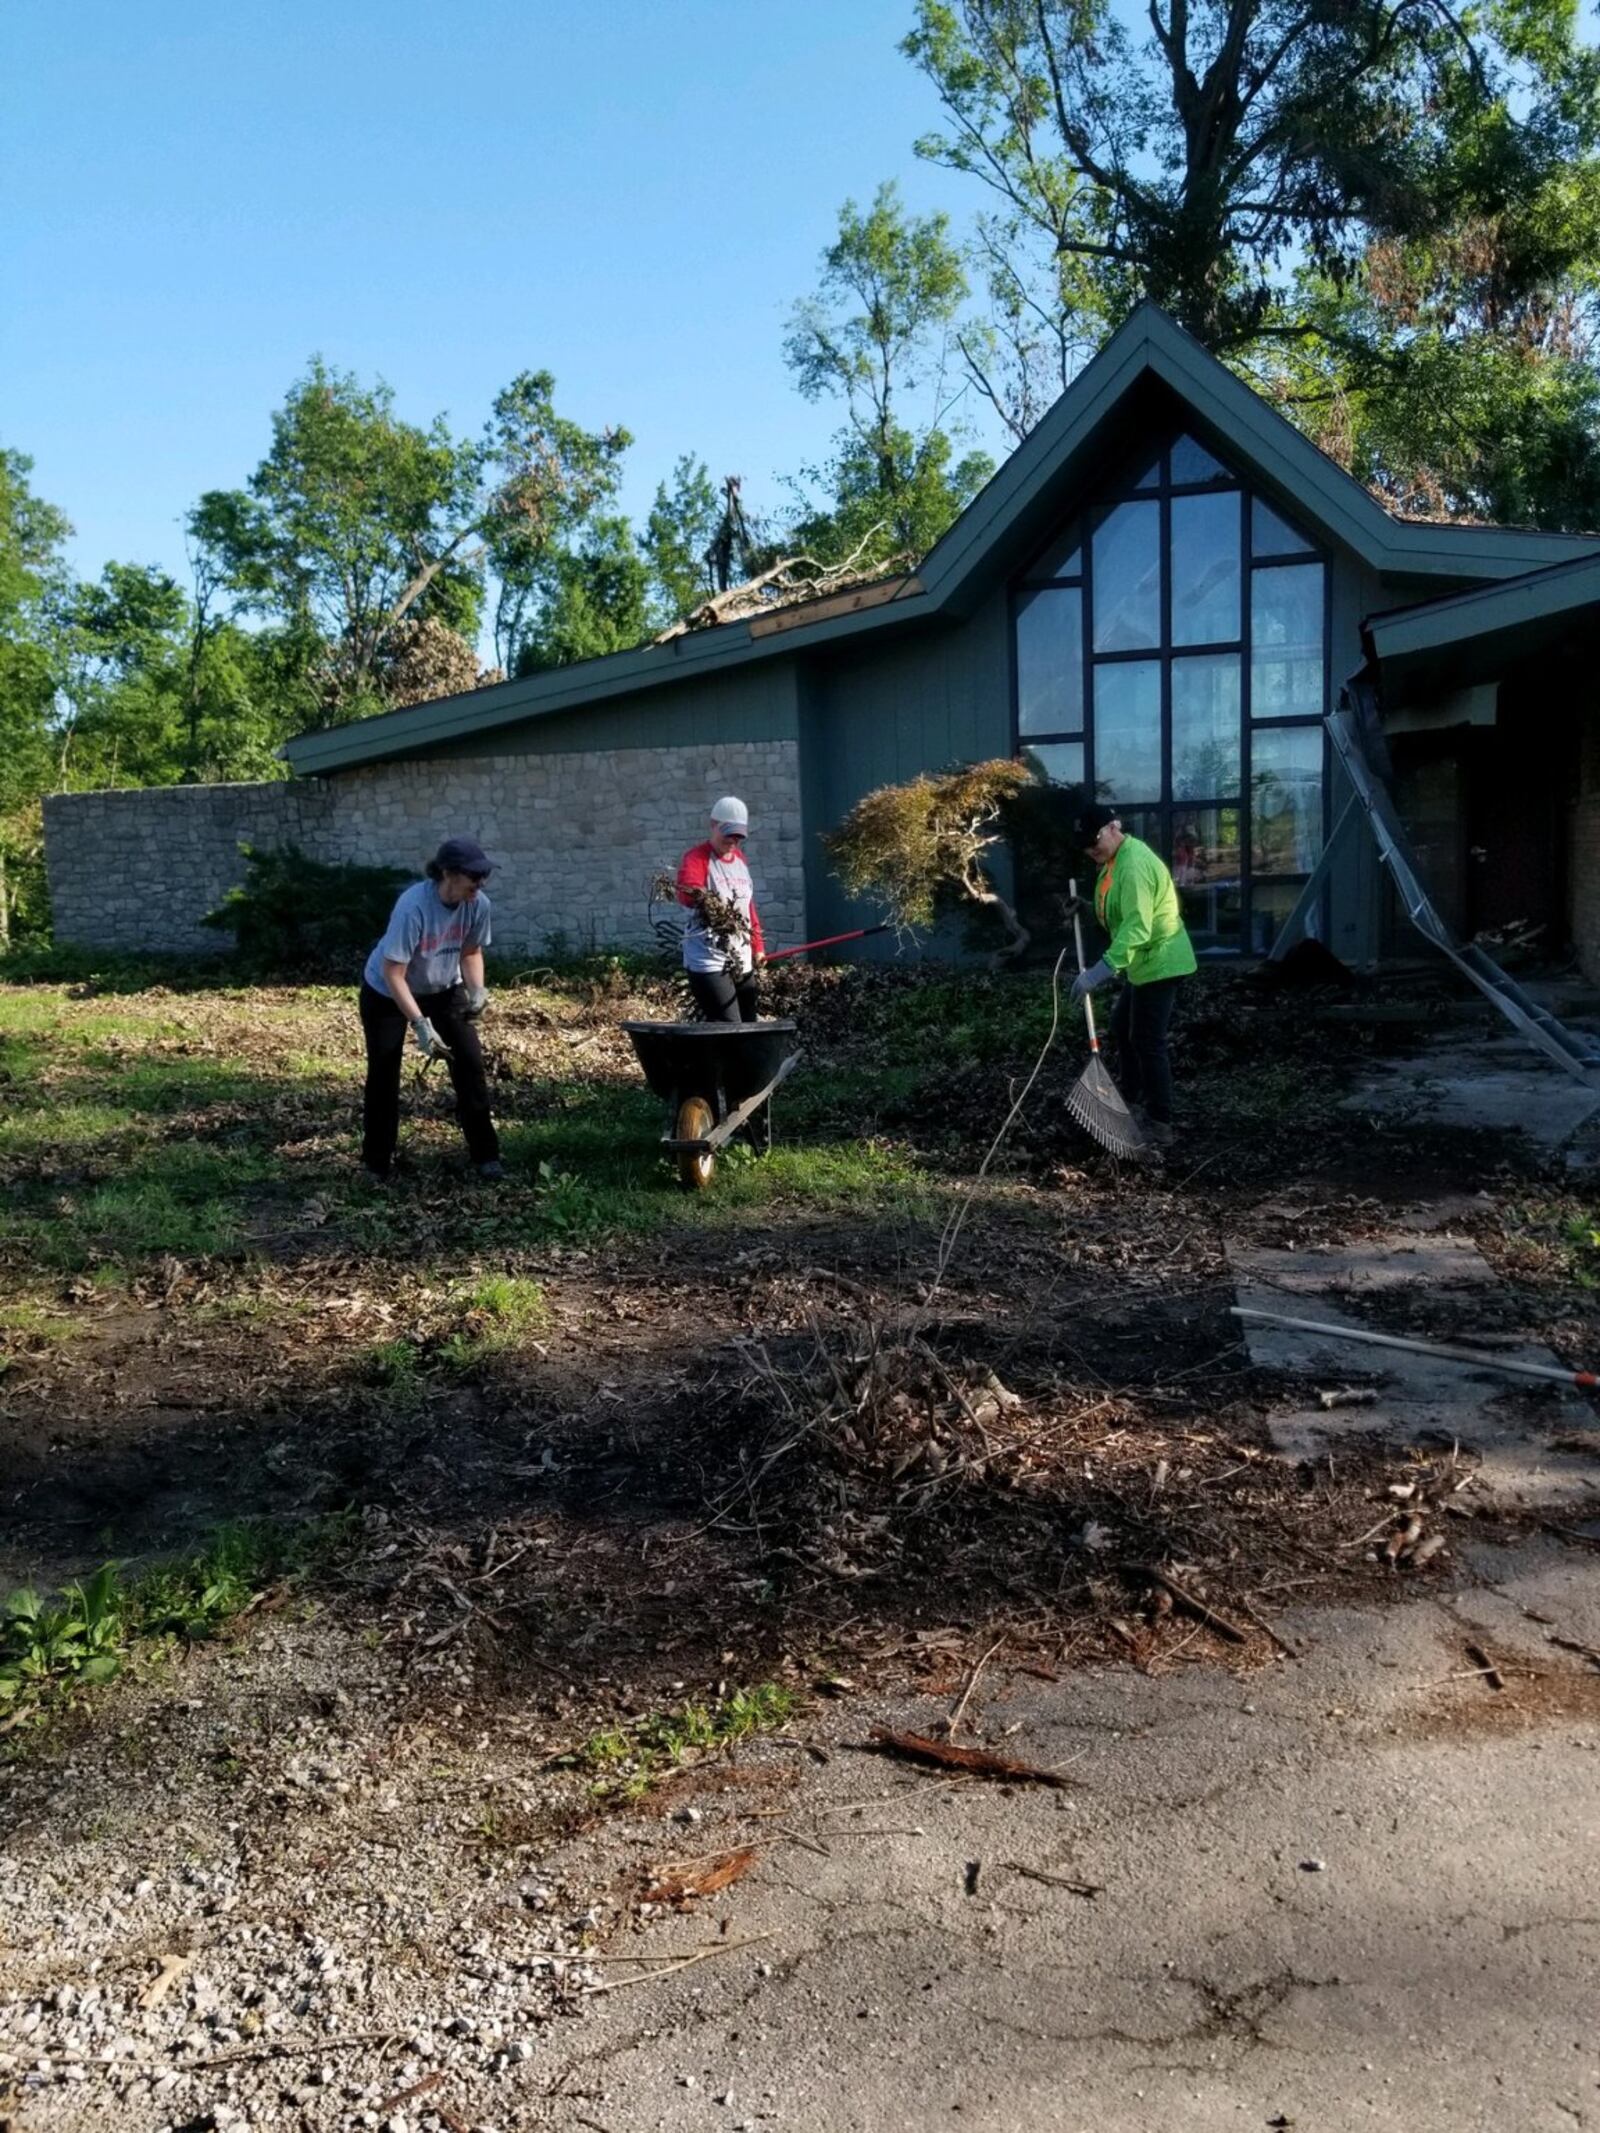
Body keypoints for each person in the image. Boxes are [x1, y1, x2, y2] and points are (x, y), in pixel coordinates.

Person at [359, 835, 504, 1181]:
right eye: (473, 876)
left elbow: (470, 952)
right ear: (448, 874)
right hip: (386, 993)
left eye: (484, 876)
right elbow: (393, 972)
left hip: (443, 988)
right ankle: (376, 1163)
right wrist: (421, 1025)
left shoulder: (478, 904)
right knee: (384, 1074)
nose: (480, 884)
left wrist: (477, 992)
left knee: (470, 1064)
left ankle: (486, 1156)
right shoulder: (413, 907)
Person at [1070, 804, 1197, 1150]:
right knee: (1120, 1028)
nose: (1091, 849)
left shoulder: (1134, 865)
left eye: (1094, 840)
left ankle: (1160, 1123)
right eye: (1085, 845)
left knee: (1146, 1039)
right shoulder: (1113, 861)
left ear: (1114, 827)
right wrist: (1085, 906)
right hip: (1143, 963)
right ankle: (1132, 1097)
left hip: (1160, 961)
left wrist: (1100, 971)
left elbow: (1137, 927)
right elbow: (1118, 910)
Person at [676, 796, 765, 1023]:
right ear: (713, 825)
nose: (733, 841)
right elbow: (686, 895)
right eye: (728, 833)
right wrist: (706, 901)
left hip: (739, 956)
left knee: (749, 1025)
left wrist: (757, 946)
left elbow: (747, 907)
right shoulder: (697, 858)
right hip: (709, 959)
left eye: (738, 836)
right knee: (731, 1028)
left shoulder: (740, 860)